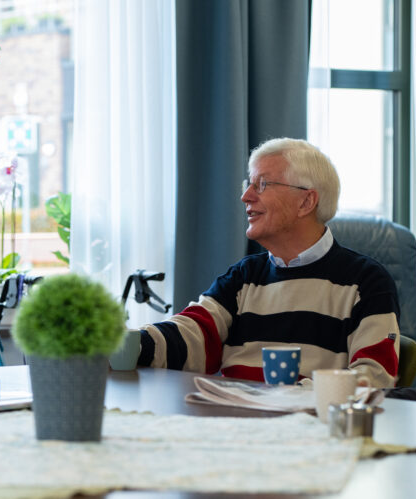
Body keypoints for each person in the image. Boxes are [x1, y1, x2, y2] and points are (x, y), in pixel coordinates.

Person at [137, 138, 400, 388]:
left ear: (306, 201)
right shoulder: (244, 277)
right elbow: (191, 336)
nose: (246, 197)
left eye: (262, 184)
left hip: (309, 428)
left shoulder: (366, 282)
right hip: (233, 422)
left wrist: (288, 396)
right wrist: (129, 344)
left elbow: (373, 377)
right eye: (248, 184)